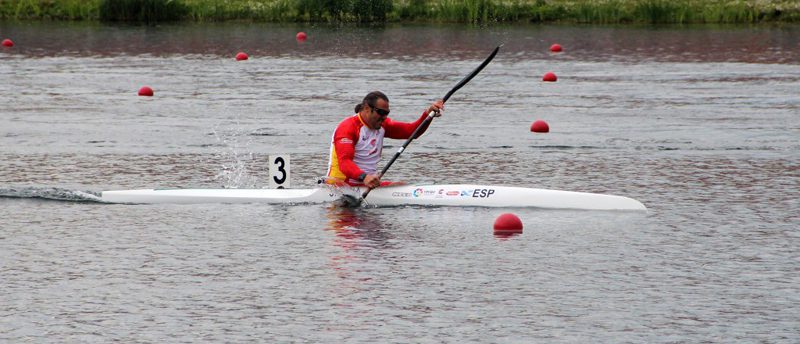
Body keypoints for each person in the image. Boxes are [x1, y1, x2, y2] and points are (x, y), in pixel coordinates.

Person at [326, 91, 444, 189]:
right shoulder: (347, 128)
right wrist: (364, 177)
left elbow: (412, 132)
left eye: (386, 113)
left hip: (367, 183)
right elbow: (345, 163)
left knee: (401, 186)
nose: (384, 117)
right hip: (341, 186)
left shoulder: (382, 125)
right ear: (367, 108)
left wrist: (428, 115)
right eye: (381, 112)